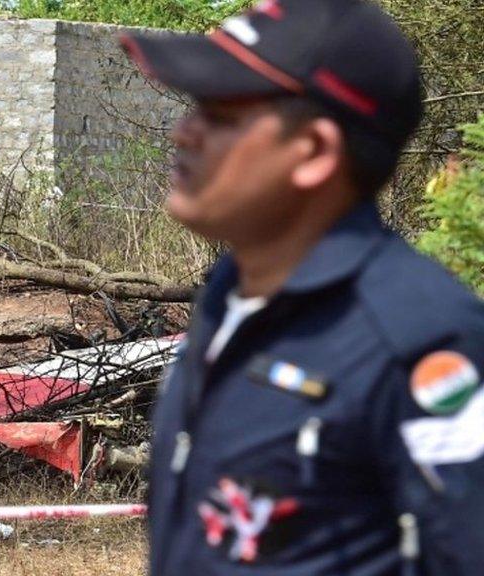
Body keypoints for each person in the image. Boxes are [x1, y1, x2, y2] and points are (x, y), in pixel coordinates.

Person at [118, 0, 484, 574]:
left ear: (312, 152)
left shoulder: (421, 337)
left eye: (220, 114)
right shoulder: (229, 296)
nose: (183, 133)